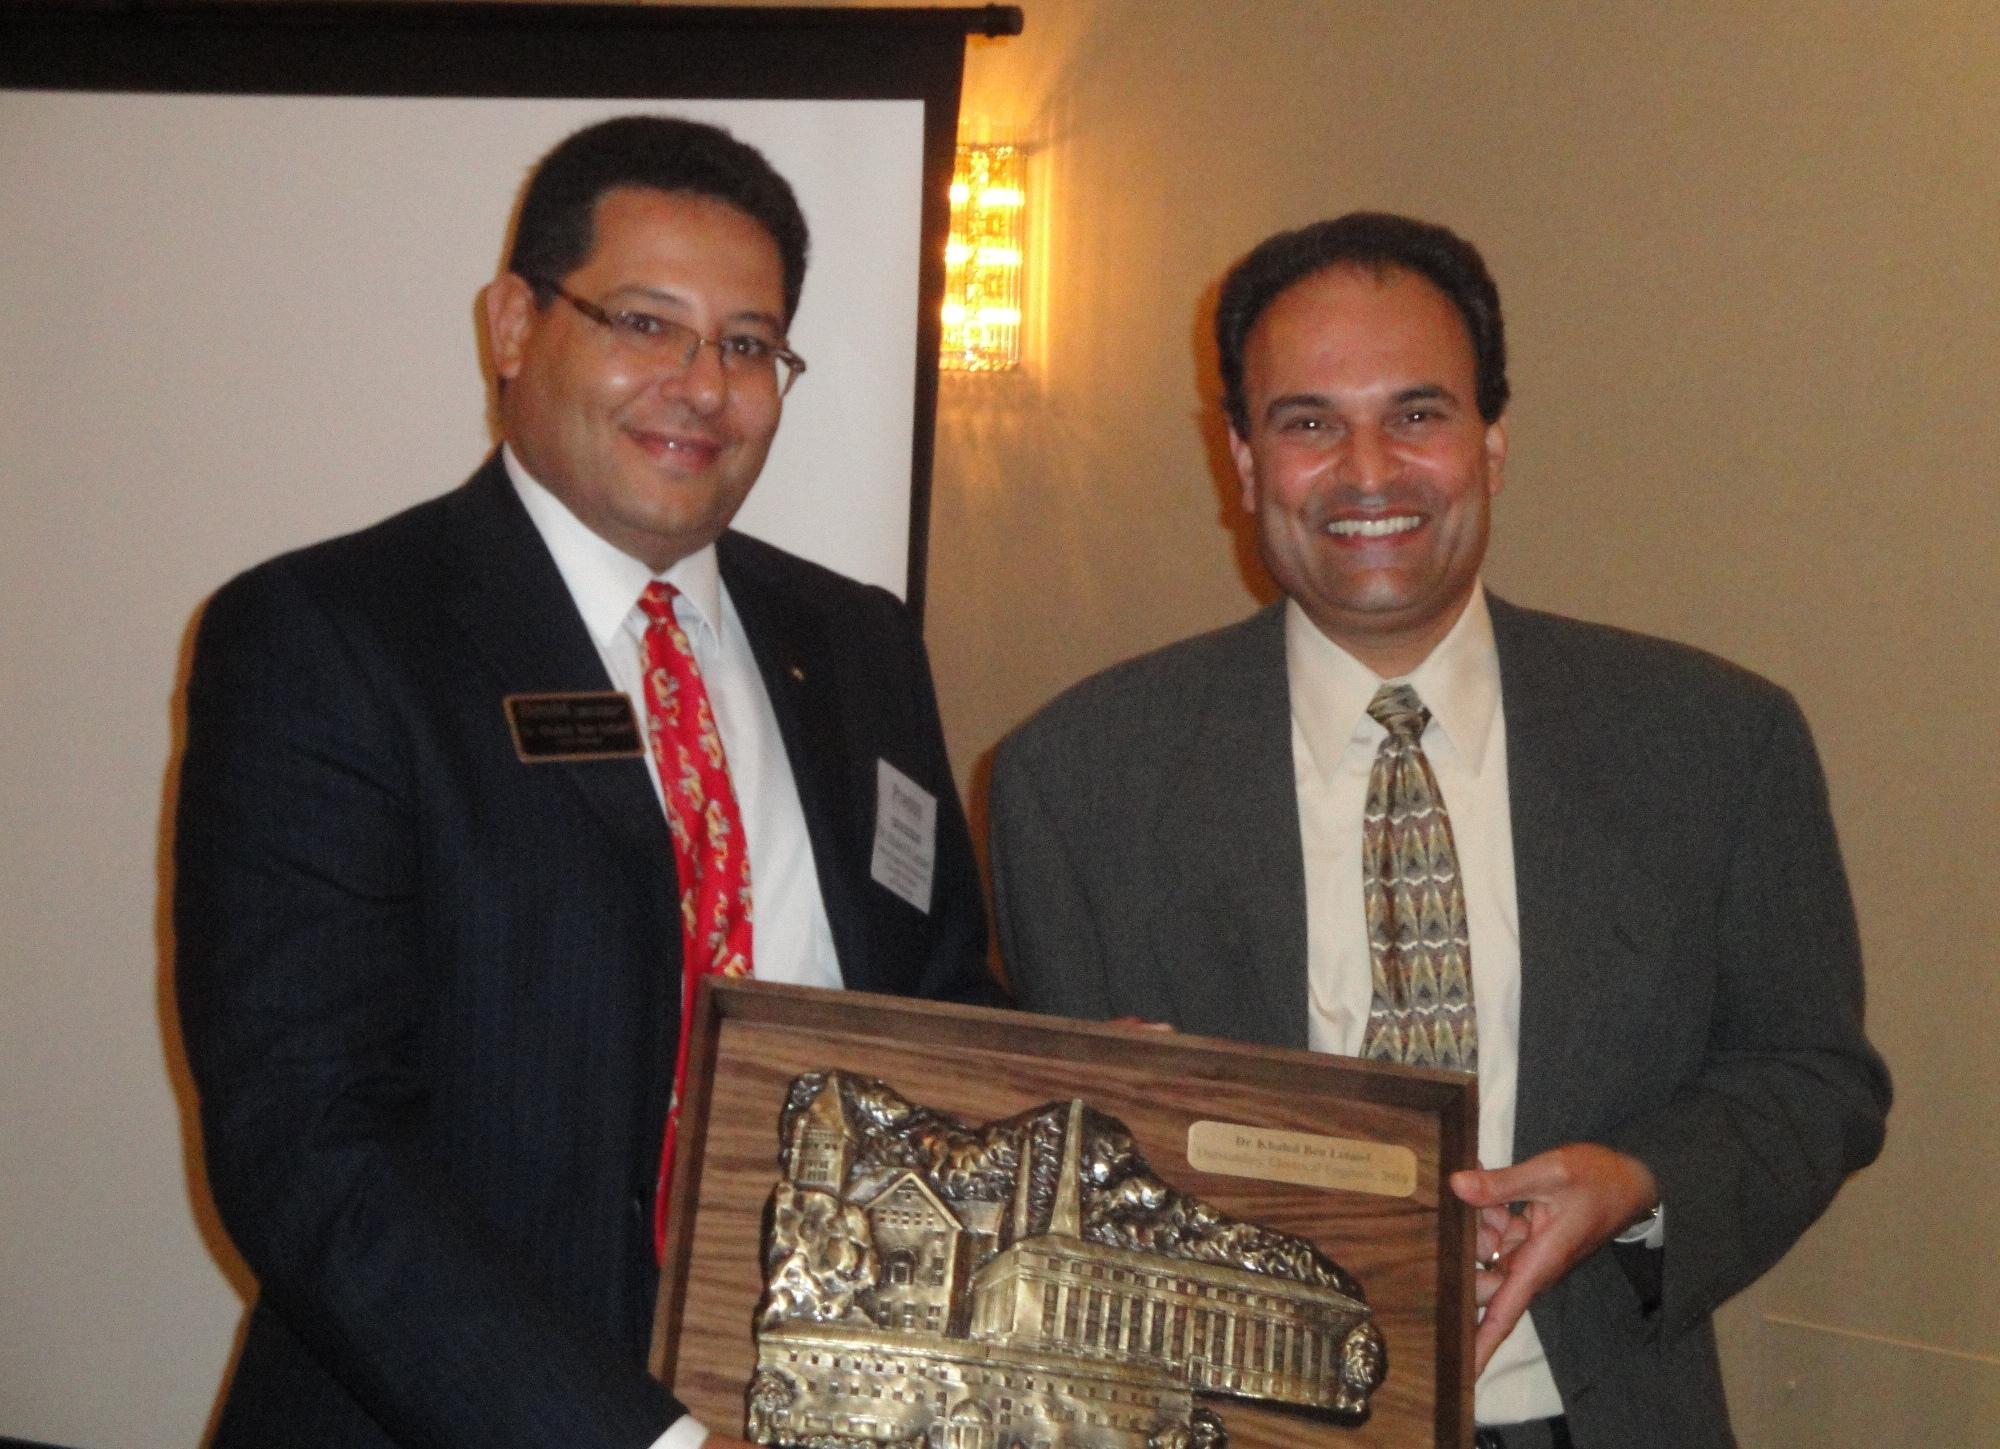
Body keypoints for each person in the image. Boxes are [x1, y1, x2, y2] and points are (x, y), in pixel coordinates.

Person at [987, 213, 1889, 1448]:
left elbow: (1811, 1079)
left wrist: (1636, 1185)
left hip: (1595, 1413)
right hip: (1227, 1422)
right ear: (1242, 463)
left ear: (1491, 441)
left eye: (1416, 413)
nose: (1367, 472)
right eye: (1307, 422)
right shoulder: (1074, 775)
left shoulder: (1710, 742)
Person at [175, 115, 995, 1449]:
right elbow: (311, 1142)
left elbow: (940, 1007)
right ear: (512, 326)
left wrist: (1081, 1097)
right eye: (644, 324)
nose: (701, 386)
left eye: (747, 343)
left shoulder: (857, 647)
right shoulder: (330, 636)